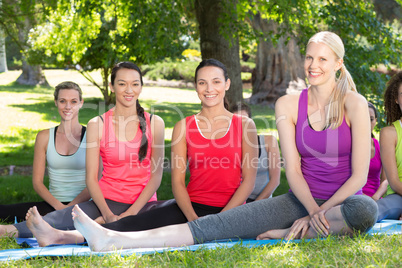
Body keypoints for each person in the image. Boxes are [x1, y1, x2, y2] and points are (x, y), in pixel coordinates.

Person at [60, 31, 378, 252]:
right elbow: (293, 172)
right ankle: (110, 240)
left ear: (338, 63)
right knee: (215, 227)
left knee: (366, 210)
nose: (313, 66)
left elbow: (359, 176)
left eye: (323, 59)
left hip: (344, 203)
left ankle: (296, 232)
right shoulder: (287, 104)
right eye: (309, 58)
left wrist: (315, 214)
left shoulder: (354, 104)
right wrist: (310, 209)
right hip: (299, 200)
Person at [23, 58, 258, 246]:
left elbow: (248, 181)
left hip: (233, 210)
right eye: (202, 82)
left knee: (151, 230)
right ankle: (62, 236)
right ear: (196, 86)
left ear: (227, 84)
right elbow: (177, 182)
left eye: (216, 82)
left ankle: (67, 233)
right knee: (140, 225)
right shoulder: (183, 126)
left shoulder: (245, 125)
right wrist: (194, 218)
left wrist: (221, 220)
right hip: (191, 206)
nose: (209, 89)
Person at [0, 61, 166, 237]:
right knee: (61, 218)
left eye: (135, 84)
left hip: (144, 204)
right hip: (105, 201)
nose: (129, 90)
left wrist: (130, 213)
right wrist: (108, 214)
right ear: (111, 86)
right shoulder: (97, 124)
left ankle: (85, 230)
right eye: (122, 83)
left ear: (141, 87)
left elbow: (156, 177)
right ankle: (7, 231)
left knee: (162, 220)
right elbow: (91, 179)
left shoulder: (155, 123)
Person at [0, 81, 90, 223]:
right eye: (62, 101)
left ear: (81, 103)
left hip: (84, 207)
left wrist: (69, 208)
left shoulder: (92, 136)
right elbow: (37, 182)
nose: (68, 106)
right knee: (4, 211)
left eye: (73, 101)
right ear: (55, 102)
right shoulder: (44, 137)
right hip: (52, 204)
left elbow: (96, 181)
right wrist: (59, 207)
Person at [230, 102, 281, 202]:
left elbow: (275, 181)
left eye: (245, 120)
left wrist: (254, 206)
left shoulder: (268, 141)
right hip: (236, 201)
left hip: (262, 200)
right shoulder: (228, 147)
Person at [376, 71, 402, 221]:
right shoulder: (389, 133)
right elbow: (394, 182)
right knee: (372, 212)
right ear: (397, 99)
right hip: (397, 197)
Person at [362, 102, 388, 200]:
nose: (367, 123)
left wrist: (375, 198)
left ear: (375, 121)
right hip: (353, 198)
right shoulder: (347, 146)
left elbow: (385, 180)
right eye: (363, 118)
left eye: (371, 119)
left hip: (375, 199)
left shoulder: (381, 147)